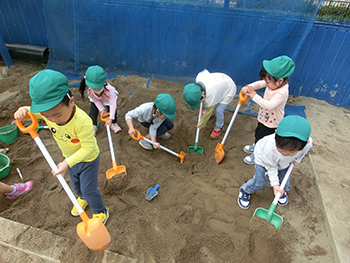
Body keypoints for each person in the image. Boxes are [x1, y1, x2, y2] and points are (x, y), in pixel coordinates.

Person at [14, 69, 109, 224]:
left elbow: (88, 148)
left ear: (71, 102)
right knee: (76, 186)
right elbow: (29, 113)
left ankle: (101, 211)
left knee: (88, 189)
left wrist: (66, 163)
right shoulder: (49, 111)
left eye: (57, 115)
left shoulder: (82, 121)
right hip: (69, 158)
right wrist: (23, 110)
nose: (52, 119)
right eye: (46, 116)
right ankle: (82, 198)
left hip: (87, 160)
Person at [237, 115, 313, 209]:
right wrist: (275, 184)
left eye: (292, 151)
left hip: (283, 163)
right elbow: (271, 167)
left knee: (283, 184)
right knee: (260, 183)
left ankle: (280, 191)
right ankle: (245, 190)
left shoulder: (307, 144)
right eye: (281, 149)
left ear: (305, 143)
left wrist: (297, 160)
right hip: (264, 160)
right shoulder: (270, 148)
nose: (285, 153)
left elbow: (304, 152)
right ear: (276, 134)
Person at [241, 55, 295, 165]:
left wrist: (254, 95)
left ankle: (258, 155)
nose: (266, 83)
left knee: (264, 140)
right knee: (258, 133)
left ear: (280, 80)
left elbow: (269, 105)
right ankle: (256, 145)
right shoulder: (273, 82)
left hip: (272, 123)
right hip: (264, 118)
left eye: (268, 81)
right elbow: (260, 83)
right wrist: (249, 87)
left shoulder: (281, 92)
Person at [182, 69, 237, 139]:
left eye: (200, 101)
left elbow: (208, 111)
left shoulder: (211, 95)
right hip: (219, 82)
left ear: (202, 93)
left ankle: (219, 126)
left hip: (229, 88)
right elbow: (204, 71)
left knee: (218, 110)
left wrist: (201, 124)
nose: (200, 103)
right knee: (207, 101)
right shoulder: (199, 78)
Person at [79, 65, 121, 135]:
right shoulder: (89, 90)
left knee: (113, 111)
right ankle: (94, 125)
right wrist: (102, 109)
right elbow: (96, 100)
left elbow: (112, 104)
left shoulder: (109, 90)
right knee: (92, 113)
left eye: (98, 87)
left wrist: (111, 119)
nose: (96, 90)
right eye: (94, 88)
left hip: (107, 99)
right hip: (96, 99)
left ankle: (113, 123)